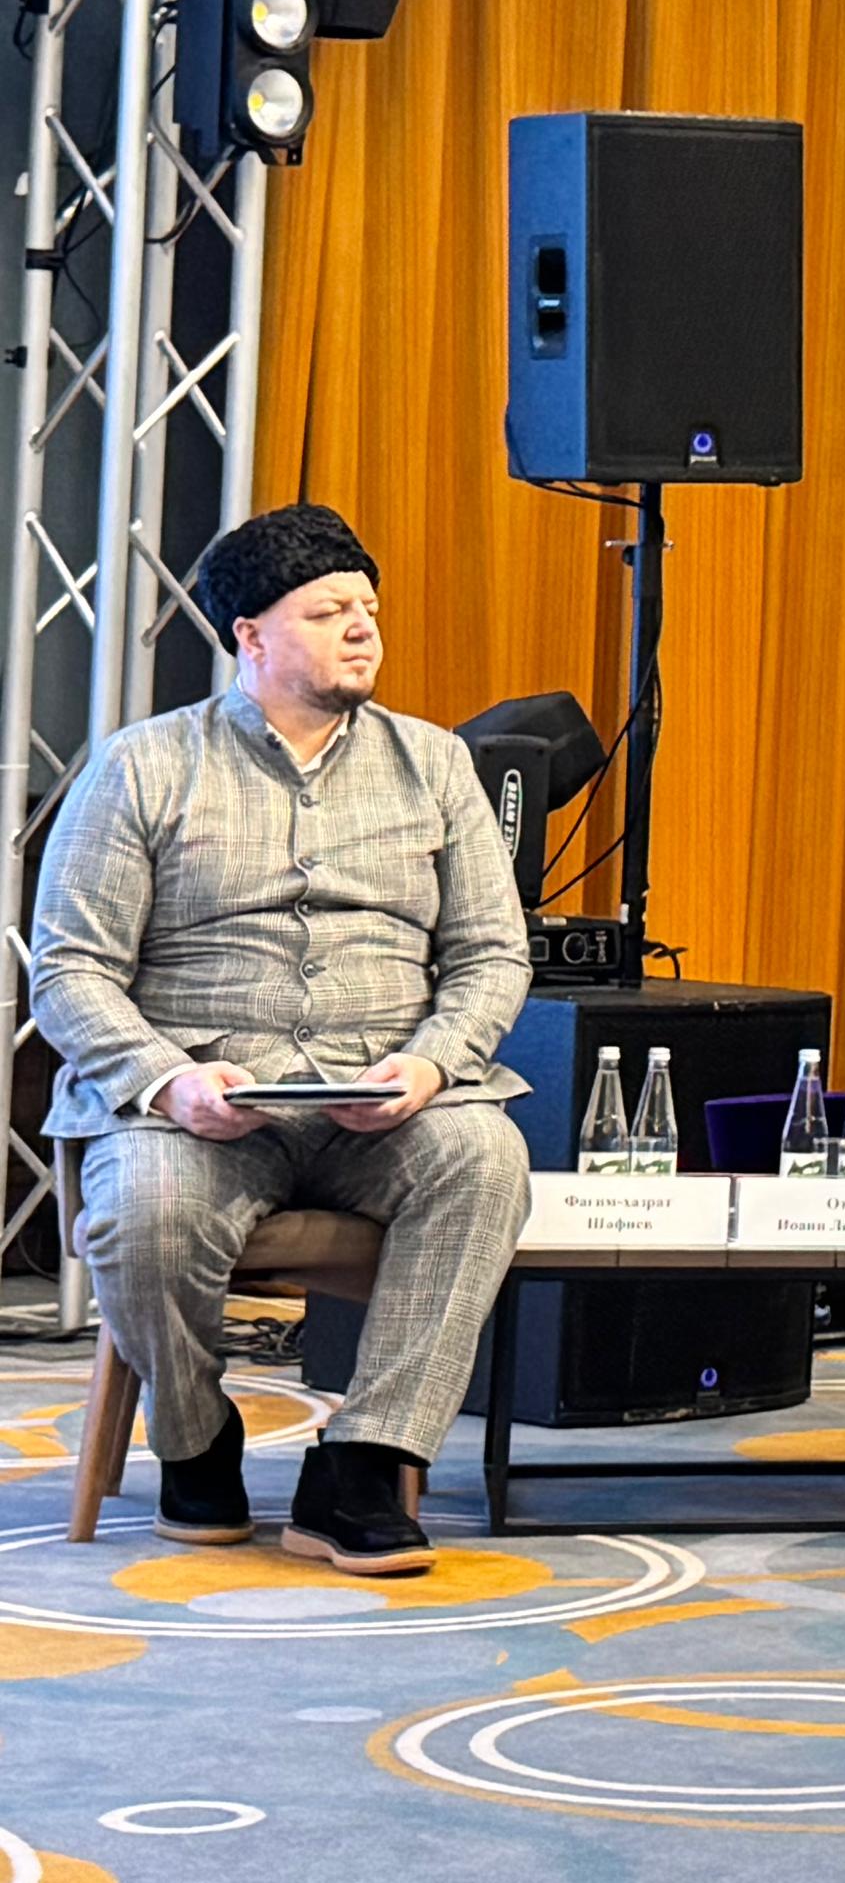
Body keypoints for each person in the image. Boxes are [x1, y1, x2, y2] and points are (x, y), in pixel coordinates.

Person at [29, 502, 532, 1577]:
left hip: (383, 1108)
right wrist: (169, 1081)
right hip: (199, 1108)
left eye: (369, 608)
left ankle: (363, 1463)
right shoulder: (142, 765)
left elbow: (493, 954)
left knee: (486, 1157)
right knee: (148, 1208)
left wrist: (433, 1063)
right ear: (250, 636)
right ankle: (196, 1440)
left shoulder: (436, 764)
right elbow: (68, 970)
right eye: (328, 610)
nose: (362, 629)